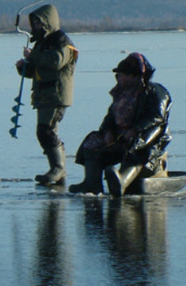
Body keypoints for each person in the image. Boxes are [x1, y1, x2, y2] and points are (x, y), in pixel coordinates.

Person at [69, 52, 172, 196]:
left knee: (136, 149)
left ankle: (122, 181)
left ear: (134, 76)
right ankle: (91, 182)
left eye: (122, 75)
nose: (119, 78)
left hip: (147, 138)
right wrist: (108, 132)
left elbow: (157, 117)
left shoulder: (156, 92)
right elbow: (110, 117)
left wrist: (135, 130)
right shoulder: (121, 94)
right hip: (121, 137)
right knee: (92, 143)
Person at [14, 4, 78, 186]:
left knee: (45, 131)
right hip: (44, 95)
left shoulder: (62, 42)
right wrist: (23, 67)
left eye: (39, 23)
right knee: (47, 131)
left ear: (48, 22)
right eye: (34, 23)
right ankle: (58, 171)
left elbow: (55, 62)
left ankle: (58, 169)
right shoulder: (42, 43)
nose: (36, 27)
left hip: (57, 94)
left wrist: (32, 56)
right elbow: (37, 69)